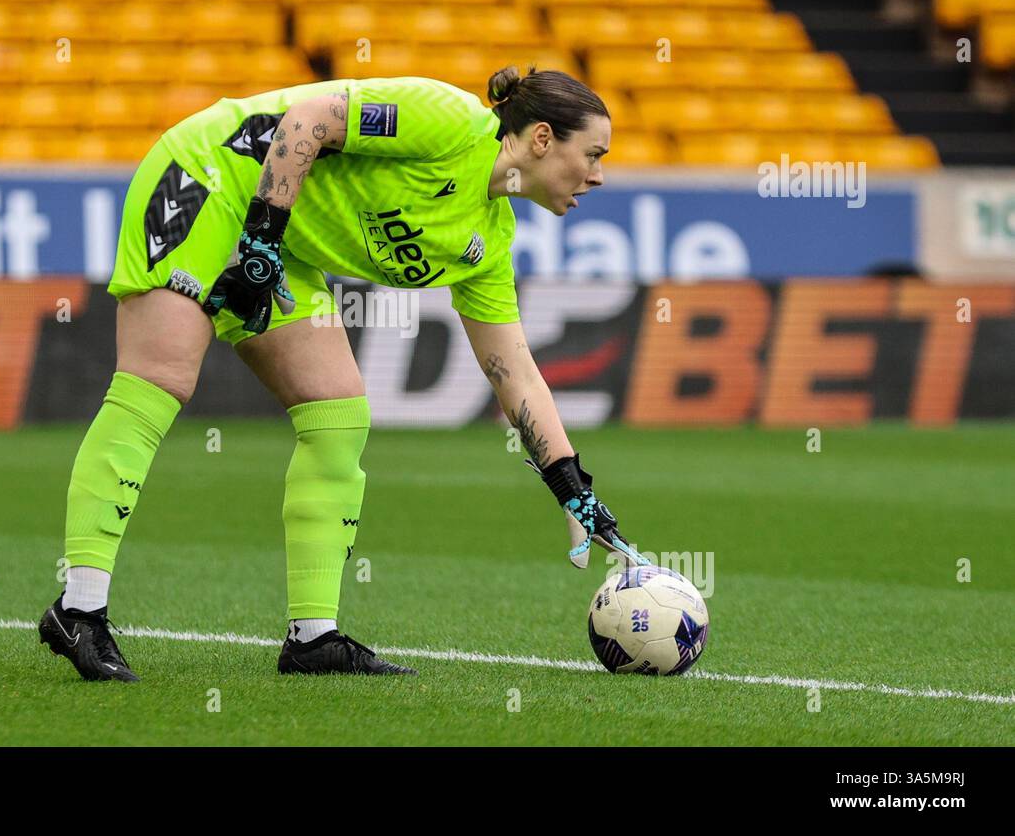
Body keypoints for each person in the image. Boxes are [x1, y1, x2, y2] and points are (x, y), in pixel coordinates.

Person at [39, 65, 648, 682]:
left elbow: (513, 369)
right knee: (160, 380)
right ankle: (79, 609)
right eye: (593, 153)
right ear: (542, 139)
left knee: (337, 413)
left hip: (283, 244)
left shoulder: (488, 239)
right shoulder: (447, 121)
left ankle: (313, 638)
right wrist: (260, 242)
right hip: (210, 175)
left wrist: (573, 489)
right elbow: (306, 121)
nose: (598, 174)